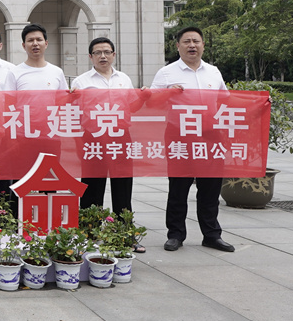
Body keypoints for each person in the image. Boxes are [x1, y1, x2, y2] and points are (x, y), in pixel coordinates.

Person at [151, 27, 234, 253]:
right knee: (179, 187)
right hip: (180, 136)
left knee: (210, 187)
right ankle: (175, 234)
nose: (191, 45)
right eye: (186, 41)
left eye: (196, 41)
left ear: (203, 45)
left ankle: (211, 234)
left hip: (210, 136)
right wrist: (166, 94)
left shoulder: (213, 72)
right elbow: (151, 101)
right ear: (177, 46)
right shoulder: (166, 73)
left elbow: (226, 101)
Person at [69, 37, 145, 253]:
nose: (103, 56)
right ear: (90, 57)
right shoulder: (81, 82)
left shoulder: (124, 79)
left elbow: (133, 106)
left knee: (123, 186)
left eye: (107, 52)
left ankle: (124, 234)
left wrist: (144, 96)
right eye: (97, 52)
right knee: (92, 186)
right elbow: (73, 111)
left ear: (113, 55)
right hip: (92, 137)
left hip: (120, 136)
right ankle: (88, 234)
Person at [14, 24, 68, 91]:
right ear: (24, 46)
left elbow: (64, 98)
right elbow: (8, 100)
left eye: (39, 40)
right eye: (30, 40)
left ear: (46, 44)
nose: (35, 44)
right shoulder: (14, 73)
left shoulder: (57, 72)